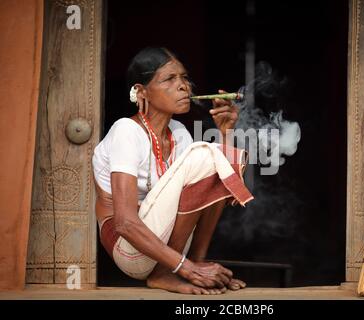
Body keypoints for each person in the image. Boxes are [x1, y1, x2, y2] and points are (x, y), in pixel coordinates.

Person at [92, 47, 254, 295]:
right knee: (205, 154)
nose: (183, 86)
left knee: (213, 156)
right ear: (140, 91)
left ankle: (197, 262)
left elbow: (212, 179)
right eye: (170, 79)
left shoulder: (178, 132)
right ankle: (166, 274)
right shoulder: (126, 130)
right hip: (130, 250)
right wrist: (184, 267)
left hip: (167, 250)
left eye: (184, 78)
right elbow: (124, 223)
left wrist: (226, 132)